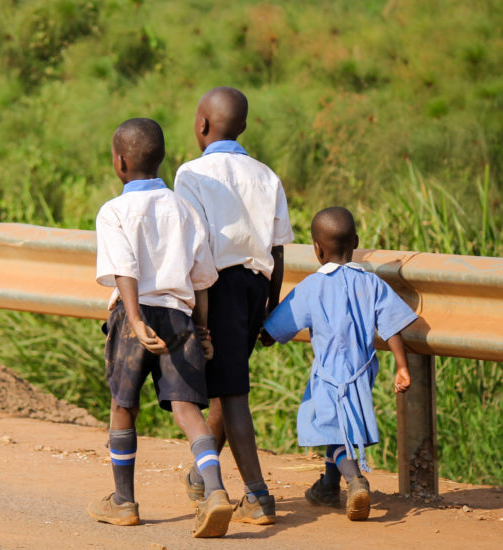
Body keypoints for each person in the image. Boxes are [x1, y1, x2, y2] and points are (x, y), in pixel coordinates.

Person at [88, 118, 233, 538]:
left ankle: (123, 502)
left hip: (136, 316)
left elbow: (124, 271)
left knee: (123, 407)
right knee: (188, 411)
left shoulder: (113, 212)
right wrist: (201, 330)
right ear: (161, 157)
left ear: (120, 162)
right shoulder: (184, 209)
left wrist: (133, 319)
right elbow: (202, 279)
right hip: (179, 315)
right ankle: (216, 491)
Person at [174, 86, 294, 525]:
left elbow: (193, 245)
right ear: (241, 127)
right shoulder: (266, 174)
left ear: (202, 125)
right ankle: (199, 477)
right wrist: (271, 307)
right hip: (255, 287)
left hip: (216, 287)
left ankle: (258, 495)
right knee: (229, 382)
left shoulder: (191, 173)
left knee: (234, 393)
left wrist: (193, 308)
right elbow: (279, 249)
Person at [260, 206, 417, 521]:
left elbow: (276, 328)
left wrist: (263, 332)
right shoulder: (371, 284)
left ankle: (355, 479)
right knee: (338, 425)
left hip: (328, 375)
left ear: (316, 250)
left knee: (326, 428)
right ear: (356, 242)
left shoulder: (310, 287)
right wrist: (401, 366)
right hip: (362, 373)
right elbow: (392, 327)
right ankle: (328, 487)